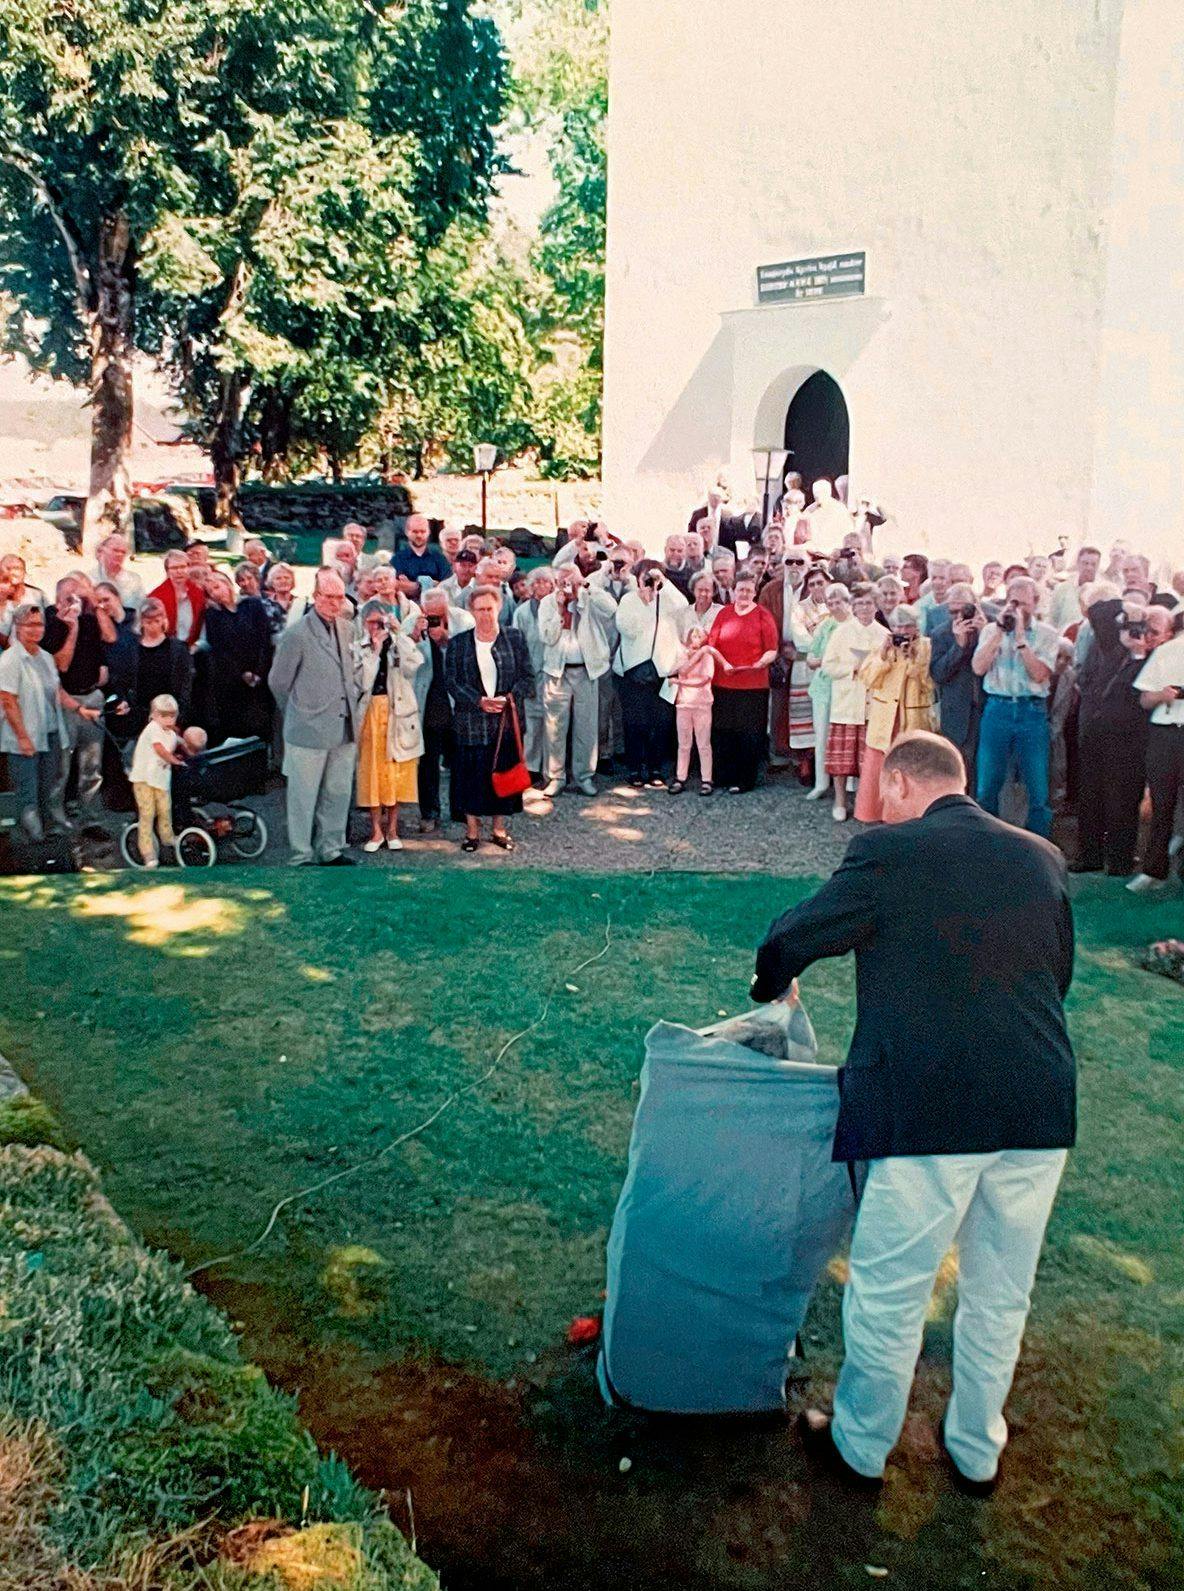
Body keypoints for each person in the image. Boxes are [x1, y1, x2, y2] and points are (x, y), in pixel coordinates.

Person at [752, 730, 1076, 1494]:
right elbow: (1056, 976)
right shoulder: (1041, 854)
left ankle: (862, 1447)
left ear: (899, 784)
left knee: (891, 1287)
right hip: (1039, 1103)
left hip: (931, 1104)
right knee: (1003, 1291)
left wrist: (770, 985)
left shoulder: (889, 850)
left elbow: (794, 932)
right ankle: (976, 1448)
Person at [268, 568, 365, 867]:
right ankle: (301, 853)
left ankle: (331, 848)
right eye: (329, 597)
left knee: (337, 792)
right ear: (316, 596)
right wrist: (300, 711)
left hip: (344, 722)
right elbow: (278, 682)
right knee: (303, 796)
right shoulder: (296, 634)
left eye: (340, 597)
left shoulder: (348, 628)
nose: (336, 603)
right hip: (307, 727)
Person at [1074, 597, 1162, 878]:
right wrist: (1127, 608)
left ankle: (1120, 861)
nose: (1141, 634)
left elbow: (1141, 694)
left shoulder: (1157, 659)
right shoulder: (1112, 646)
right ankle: (1090, 856)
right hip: (1095, 736)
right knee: (1090, 798)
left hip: (1130, 742)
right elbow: (1097, 611)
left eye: (1148, 629)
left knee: (1122, 802)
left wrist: (1139, 654)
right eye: (1138, 628)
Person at [444, 584, 534, 852]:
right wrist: (477, 701)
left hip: (506, 721)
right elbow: (452, 681)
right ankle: (472, 832)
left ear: (500, 608)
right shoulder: (459, 643)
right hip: (471, 721)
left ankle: (499, 829)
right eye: (480, 609)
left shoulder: (514, 638)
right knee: (470, 777)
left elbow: (528, 678)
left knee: (504, 775)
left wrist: (508, 699)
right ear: (471, 611)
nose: (485, 614)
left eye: (490, 609)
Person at [0, 604, 102, 840]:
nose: (36, 630)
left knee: (48, 789)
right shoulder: (10, 660)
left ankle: (50, 841)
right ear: (17, 627)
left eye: (39, 624)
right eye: (29, 625)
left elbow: (57, 692)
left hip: (51, 734)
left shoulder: (45, 657)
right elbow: (7, 701)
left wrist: (80, 709)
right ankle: (29, 846)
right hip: (24, 739)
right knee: (28, 795)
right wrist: (23, 738)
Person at [972, 577, 1059, 836]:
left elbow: (1040, 674)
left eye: (1022, 603)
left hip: (1030, 711)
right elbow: (978, 668)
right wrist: (999, 632)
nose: (1017, 608)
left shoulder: (1047, 634)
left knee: (1038, 786)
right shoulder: (990, 631)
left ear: (1035, 603)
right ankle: (988, 842)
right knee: (987, 783)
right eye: (1012, 602)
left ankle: (1038, 845)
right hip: (997, 709)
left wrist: (1021, 640)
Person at [537, 566, 617, 797]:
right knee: (554, 727)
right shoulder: (548, 603)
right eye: (562, 580)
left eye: (570, 579)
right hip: (557, 671)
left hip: (586, 671)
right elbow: (547, 636)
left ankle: (584, 776)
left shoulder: (589, 597)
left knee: (587, 727)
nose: (567, 584)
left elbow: (611, 609)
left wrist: (586, 586)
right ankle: (555, 777)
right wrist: (561, 610)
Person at [42, 574, 116, 827]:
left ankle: (91, 814)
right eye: (68, 598)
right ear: (57, 600)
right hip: (66, 700)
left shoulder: (88, 617)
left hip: (92, 695)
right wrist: (71, 628)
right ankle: (55, 815)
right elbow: (61, 664)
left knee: (92, 764)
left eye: (78, 597)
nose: (74, 602)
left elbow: (110, 637)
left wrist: (94, 603)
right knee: (61, 764)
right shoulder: (50, 622)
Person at [854, 605, 937, 821]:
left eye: (908, 626)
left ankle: (909, 815)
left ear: (916, 628)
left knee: (911, 766)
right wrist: (884, 657)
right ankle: (874, 813)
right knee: (879, 765)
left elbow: (929, 685)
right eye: (898, 625)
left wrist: (914, 660)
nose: (902, 630)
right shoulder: (884, 644)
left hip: (913, 717)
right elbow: (867, 679)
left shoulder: (927, 647)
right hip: (885, 717)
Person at [356, 601, 424, 852]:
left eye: (380, 621)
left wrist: (399, 634)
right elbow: (363, 682)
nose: (377, 627)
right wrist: (374, 652)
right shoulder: (359, 647)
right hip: (372, 712)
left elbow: (415, 664)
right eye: (372, 622)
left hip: (398, 713)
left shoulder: (398, 644)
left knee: (395, 772)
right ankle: (376, 830)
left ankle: (393, 829)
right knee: (373, 772)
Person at [614, 562, 687, 788]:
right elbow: (627, 629)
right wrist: (644, 603)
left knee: (661, 722)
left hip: (664, 669)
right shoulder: (628, 600)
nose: (649, 583)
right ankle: (636, 768)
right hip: (634, 670)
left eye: (652, 578)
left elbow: (683, 605)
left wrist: (663, 586)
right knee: (636, 722)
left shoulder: (668, 598)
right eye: (645, 578)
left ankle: (656, 768)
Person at [706, 572, 779, 794]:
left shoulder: (763, 615)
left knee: (749, 733)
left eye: (749, 589)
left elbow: (772, 650)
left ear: (755, 592)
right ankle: (723, 776)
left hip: (753, 685)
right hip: (724, 681)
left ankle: (745, 779)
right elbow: (712, 644)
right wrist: (724, 663)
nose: (744, 593)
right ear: (734, 591)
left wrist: (760, 663)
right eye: (741, 589)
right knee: (723, 731)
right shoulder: (724, 613)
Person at [1128, 615, 1184, 892]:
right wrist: (1163, 695)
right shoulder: (1166, 651)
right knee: (1162, 804)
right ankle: (1154, 870)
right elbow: (1144, 698)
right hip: (1166, 734)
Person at [821, 585, 884, 821]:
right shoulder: (842, 632)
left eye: (869, 603)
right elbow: (828, 666)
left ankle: (864, 803)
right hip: (846, 701)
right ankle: (839, 801)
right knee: (841, 758)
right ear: (853, 607)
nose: (864, 608)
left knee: (867, 759)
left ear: (876, 606)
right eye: (859, 604)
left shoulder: (883, 635)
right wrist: (852, 668)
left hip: (872, 703)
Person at [201, 570, 273, 743]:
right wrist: (242, 674)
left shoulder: (252, 606)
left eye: (217, 587)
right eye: (210, 591)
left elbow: (264, 639)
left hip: (260, 674)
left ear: (227, 584)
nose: (215, 593)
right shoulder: (213, 616)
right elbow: (220, 650)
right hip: (232, 680)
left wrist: (258, 671)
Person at [928, 583, 987, 786]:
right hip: (957, 712)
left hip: (987, 708)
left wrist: (985, 635)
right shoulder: (941, 633)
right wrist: (958, 646)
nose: (959, 617)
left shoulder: (991, 627)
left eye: (965, 610)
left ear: (976, 606)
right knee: (958, 770)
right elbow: (938, 674)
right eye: (953, 611)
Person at [758, 550, 811, 771]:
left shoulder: (814, 589)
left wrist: (801, 653)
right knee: (778, 706)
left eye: (800, 562)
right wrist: (778, 651)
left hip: (806, 657)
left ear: (807, 566)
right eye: (790, 561)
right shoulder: (771, 590)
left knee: (803, 706)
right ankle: (777, 753)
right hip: (778, 654)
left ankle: (804, 757)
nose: (795, 566)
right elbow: (762, 622)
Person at [664, 626, 730, 794]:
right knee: (684, 744)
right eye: (693, 634)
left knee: (703, 744)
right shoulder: (684, 655)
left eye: (699, 635)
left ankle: (707, 779)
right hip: (684, 703)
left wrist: (680, 683)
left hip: (702, 703)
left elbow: (704, 679)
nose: (695, 637)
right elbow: (677, 670)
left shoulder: (707, 656)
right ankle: (680, 777)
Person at [804, 583, 851, 800]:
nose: (833, 606)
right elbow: (812, 654)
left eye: (837, 601)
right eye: (830, 602)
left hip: (848, 689)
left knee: (847, 736)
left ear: (847, 601)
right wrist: (815, 660)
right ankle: (821, 782)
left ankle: (850, 783)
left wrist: (825, 661)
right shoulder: (825, 626)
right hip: (823, 686)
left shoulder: (855, 625)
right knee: (821, 733)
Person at [129, 693, 186, 867]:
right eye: (164, 716)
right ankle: (148, 853)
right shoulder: (153, 729)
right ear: (154, 715)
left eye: (172, 716)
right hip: (144, 779)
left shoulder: (170, 732)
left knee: (165, 809)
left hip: (160, 778)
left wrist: (190, 748)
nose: (169, 720)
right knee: (147, 814)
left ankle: (168, 838)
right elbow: (160, 749)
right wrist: (175, 760)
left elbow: (180, 741)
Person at [512, 567, 554, 780]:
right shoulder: (522, 612)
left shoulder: (559, 607)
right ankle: (532, 767)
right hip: (530, 670)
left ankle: (553, 768)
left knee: (554, 723)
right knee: (532, 721)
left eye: (545, 582)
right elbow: (516, 644)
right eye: (536, 582)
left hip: (554, 671)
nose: (540, 586)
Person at [150, 550, 206, 649]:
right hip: (166, 650)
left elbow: (202, 625)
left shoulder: (198, 593)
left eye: (183, 567)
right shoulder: (156, 597)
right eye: (174, 568)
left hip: (193, 649)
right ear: (167, 571)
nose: (179, 571)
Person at [89, 532, 145, 620]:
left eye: (123, 552)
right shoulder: (88, 579)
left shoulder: (134, 580)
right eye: (115, 550)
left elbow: (142, 610)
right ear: (101, 551)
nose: (119, 555)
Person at [1048, 546, 1102, 630]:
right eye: (1085, 563)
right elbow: (1052, 620)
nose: (1089, 568)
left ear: (1098, 565)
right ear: (1078, 563)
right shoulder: (1062, 588)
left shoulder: (1103, 591)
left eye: (1093, 564)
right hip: (1064, 639)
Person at [395, 513, 452, 590]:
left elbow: (448, 585)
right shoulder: (397, 559)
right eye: (415, 532)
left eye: (423, 531)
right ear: (406, 532)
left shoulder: (439, 558)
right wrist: (433, 584)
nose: (419, 535)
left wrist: (415, 586)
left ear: (428, 532)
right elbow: (397, 586)